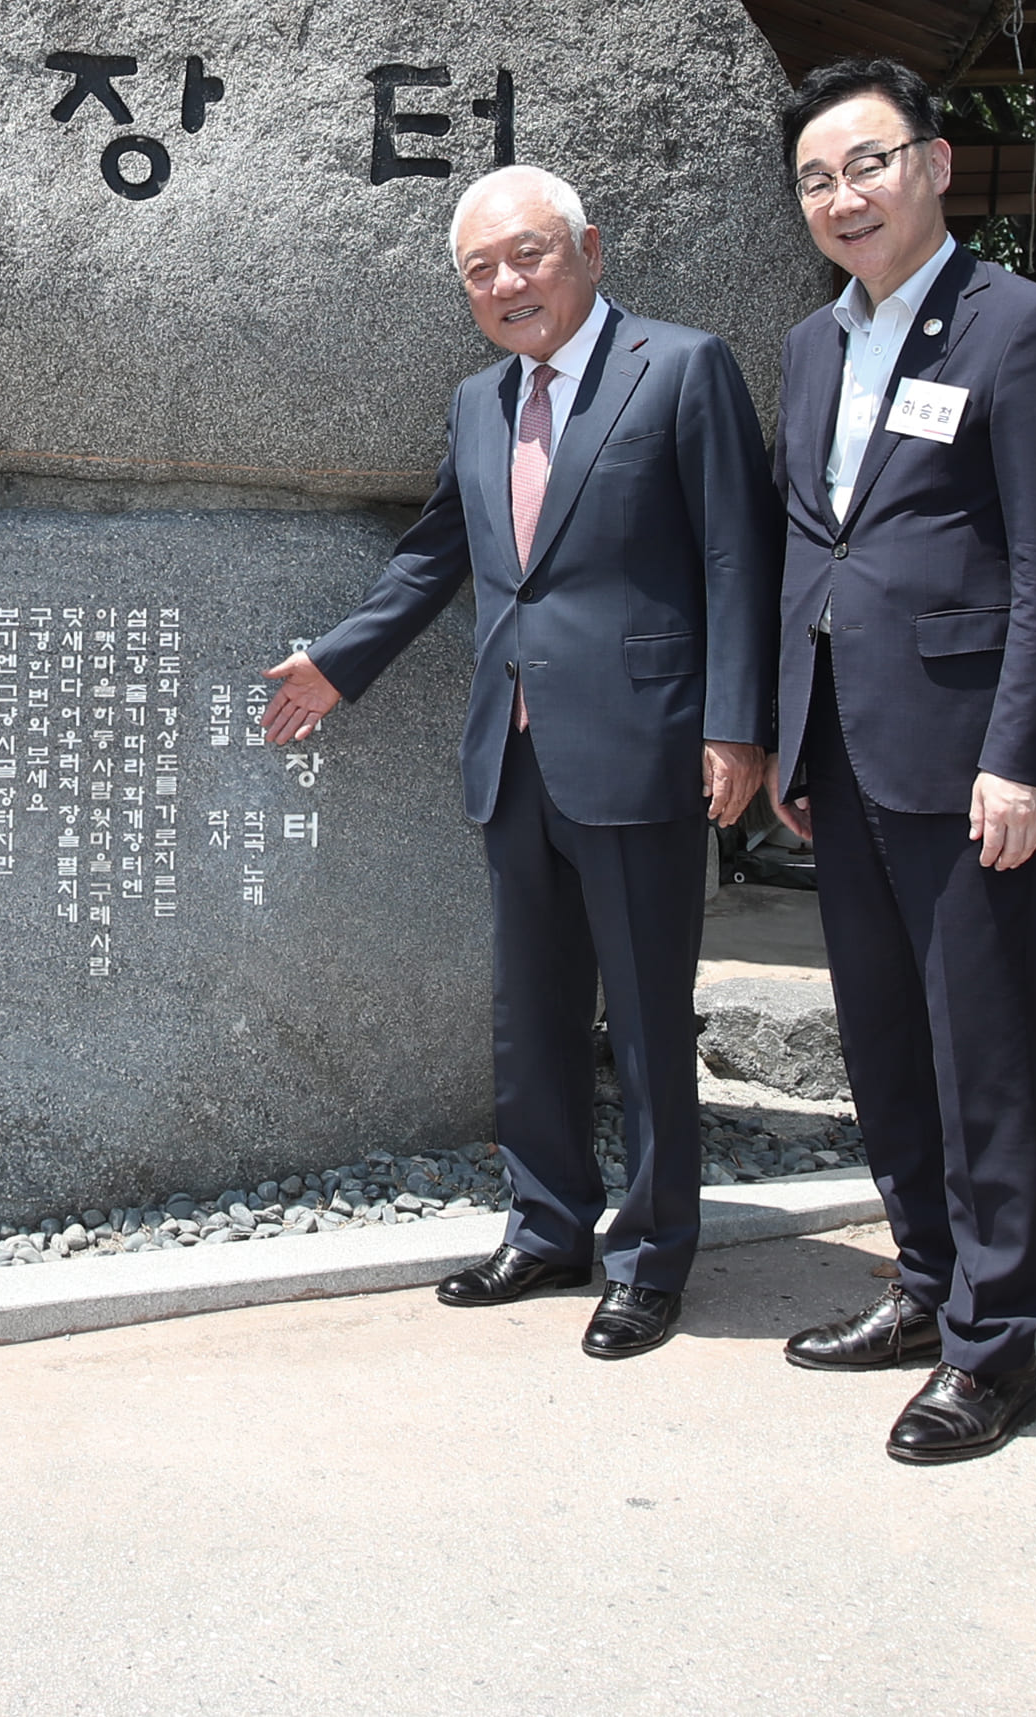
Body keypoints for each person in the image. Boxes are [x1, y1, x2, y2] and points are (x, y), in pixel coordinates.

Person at [260, 163, 775, 1360]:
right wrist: (338, 663)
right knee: (529, 1009)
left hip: (643, 740)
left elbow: (735, 557)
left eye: (525, 255)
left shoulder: (679, 366)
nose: (505, 283)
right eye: (479, 271)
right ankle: (547, 1226)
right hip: (515, 742)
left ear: (586, 248)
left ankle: (649, 1258)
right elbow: (436, 550)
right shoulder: (479, 401)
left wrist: (734, 724)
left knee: (645, 1013)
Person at [766, 58, 1036, 1464]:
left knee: (986, 1052)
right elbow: (814, 540)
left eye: (869, 163)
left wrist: (1023, 754)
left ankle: (997, 1344)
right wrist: (787, 723)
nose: (845, 196)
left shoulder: (1019, 329)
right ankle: (921, 1282)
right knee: (885, 1035)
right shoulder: (812, 344)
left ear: (937, 165)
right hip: (843, 741)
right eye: (818, 179)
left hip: (969, 755)